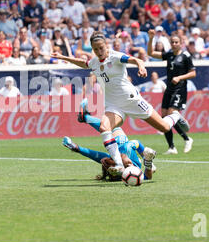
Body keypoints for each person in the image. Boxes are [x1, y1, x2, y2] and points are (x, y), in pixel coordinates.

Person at [52, 31, 190, 176]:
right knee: (104, 127)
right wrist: (63, 57)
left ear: (106, 45)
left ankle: (175, 115)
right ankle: (118, 164)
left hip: (131, 100)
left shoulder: (115, 56)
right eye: (96, 49)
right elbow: (84, 64)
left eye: (101, 47)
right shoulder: (94, 62)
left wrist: (141, 67)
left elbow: (137, 60)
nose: (99, 51)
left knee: (164, 126)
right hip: (114, 105)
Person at [61, 112, 156, 182]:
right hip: (120, 144)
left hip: (117, 143)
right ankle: (85, 118)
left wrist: (77, 148)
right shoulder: (128, 150)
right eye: (129, 163)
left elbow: (95, 155)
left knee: (108, 127)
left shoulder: (124, 152)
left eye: (127, 163)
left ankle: (85, 117)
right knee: (112, 126)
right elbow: (148, 177)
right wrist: (148, 161)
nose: (129, 162)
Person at [147, 29, 196, 154]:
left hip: (179, 89)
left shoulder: (186, 56)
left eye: (176, 42)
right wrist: (151, 38)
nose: (174, 44)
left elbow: (193, 73)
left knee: (170, 115)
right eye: (172, 42)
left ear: (181, 43)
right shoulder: (169, 55)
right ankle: (172, 147)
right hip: (169, 89)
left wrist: (179, 77)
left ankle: (187, 138)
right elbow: (151, 53)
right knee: (164, 119)